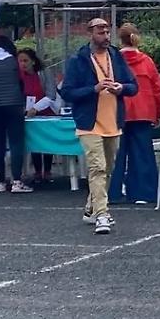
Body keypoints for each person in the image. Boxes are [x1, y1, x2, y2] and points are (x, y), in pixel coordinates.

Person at [61, 19, 137, 234]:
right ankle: (102, 215)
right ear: (90, 34)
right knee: (97, 168)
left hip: (113, 122)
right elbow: (67, 92)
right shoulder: (79, 60)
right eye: (100, 32)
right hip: (89, 123)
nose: (105, 35)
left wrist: (121, 87)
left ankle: (90, 208)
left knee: (108, 169)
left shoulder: (116, 56)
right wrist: (93, 89)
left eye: (107, 31)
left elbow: (134, 86)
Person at [108, 24, 160, 205]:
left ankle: (113, 191)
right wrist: (158, 114)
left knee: (115, 154)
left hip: (118, 112)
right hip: (143, 112)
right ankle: (144, 193)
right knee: (143, 154)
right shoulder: (147, 61)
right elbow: (157, 90)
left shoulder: (113, 61)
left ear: (119, 39)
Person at [0, 36, 30, 194]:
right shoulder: (14, 61)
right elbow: (21, 80)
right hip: (14, 104)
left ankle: (1, 182)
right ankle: (16, 181)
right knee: (16, 143)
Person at [18, 48, 58, 184]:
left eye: (25, 61)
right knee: (34, 142)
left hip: (47, 112)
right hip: (29, 114)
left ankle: (47, 171)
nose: (23, 64)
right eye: (20, 61)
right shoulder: (20, 76)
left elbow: (51, 95)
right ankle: (37, 171)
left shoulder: (44, 72)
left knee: (46, 142)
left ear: (33, 62)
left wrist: (36, 108)